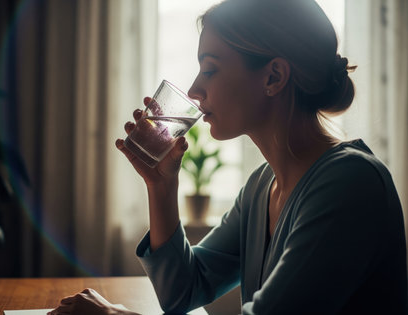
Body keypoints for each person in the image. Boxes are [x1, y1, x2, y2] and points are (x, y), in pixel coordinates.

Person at [49, 0, 408, 314]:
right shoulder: (261, 186)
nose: (194, 90)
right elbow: (182, 292)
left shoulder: (350, 185)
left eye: (210, 69)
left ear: (274, 76)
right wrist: (160, 186)